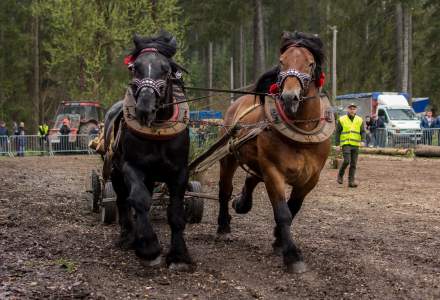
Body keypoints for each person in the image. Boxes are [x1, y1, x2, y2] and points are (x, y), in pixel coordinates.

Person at [335, 103, 366, 188]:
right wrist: (337, 144)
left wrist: (363, 140)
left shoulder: (359, 120)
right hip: (346, 143)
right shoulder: (342, 119)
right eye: (350, 108)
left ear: (356, 110)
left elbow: (363, 131)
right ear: (347, 110)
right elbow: (337, 132)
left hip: (355, 144)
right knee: (347, 161)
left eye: (354, 109)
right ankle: (340, 175)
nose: (352, 110)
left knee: (353, 164)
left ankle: (351, 182)